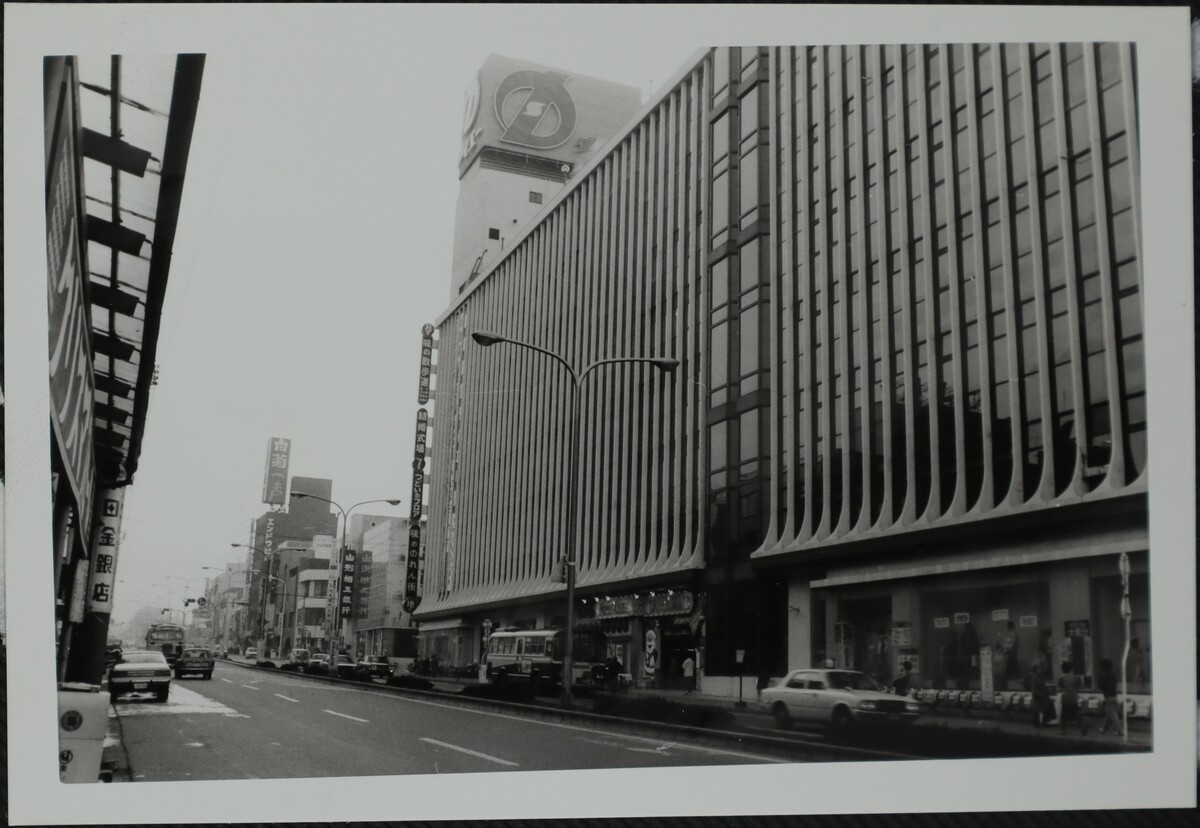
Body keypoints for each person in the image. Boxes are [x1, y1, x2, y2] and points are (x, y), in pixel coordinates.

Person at [1057, 661, 1088, 736]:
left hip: (1065, 698)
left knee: (1064, 715)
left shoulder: (1062, 677)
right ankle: (1083, 727)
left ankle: (1063, 730)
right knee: (1076, 714)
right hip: (1074, 697)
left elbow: (1060, 685)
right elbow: (1080, 687)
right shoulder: (1076, 677)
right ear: (1071, 669)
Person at [1097, 658, 1122, 735]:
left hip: (1108, 697)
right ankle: (1104, 729)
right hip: (1114, 695)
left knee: (1112, 715)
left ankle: (1120, 731)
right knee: (1109, 714)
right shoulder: (1113, 674)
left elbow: (1100, 686)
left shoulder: (1103, 676)